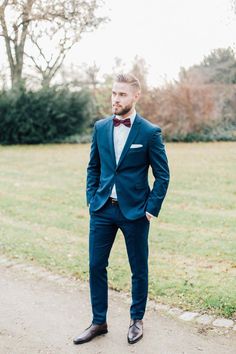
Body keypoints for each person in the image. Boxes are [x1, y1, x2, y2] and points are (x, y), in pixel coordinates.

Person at [73, 73, 170, 345]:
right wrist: (92, 199)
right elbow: (93, 167)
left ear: (136, 96)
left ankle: (136, 319)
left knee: (138, 268)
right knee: (95, 265)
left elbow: (163, 175)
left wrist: (152, 207)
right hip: (103, 209)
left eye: (122, 94)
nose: (116, 99)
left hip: (136, 212)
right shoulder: (101, 127)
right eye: (114, 93)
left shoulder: (150, 132)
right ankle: (98, 321)